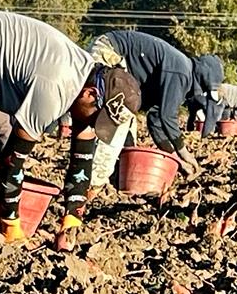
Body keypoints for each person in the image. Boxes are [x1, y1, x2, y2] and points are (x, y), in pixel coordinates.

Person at [0, 9, 140, 248]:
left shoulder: (86, 78)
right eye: (98, 116)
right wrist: (12, 224)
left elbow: (82, 158)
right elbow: (13, 160)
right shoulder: (55, 87)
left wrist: (71, 220)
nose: (94, 125)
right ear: (90, 94)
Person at [87, 30, 223, 182]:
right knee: (119, 118)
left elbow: (156, 119)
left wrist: (174, 158)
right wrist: (184, 153)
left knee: (128, 127)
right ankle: (94, 181)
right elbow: (167, 116)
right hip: (110, 50)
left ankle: (116, 177)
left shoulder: (181, 76)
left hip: (119, 63)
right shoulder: (181, 71)